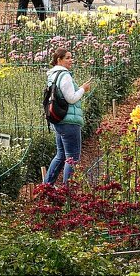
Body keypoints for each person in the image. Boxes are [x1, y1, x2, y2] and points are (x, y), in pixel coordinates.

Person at [44, 49, 91, 184]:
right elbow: (71, 98)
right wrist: (82, 89)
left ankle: (47, 187)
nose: (71, 60)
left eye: (71, 57)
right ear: (59, 59)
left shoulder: (53, 75)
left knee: (61, 155)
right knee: (72, 158)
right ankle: (67, 192)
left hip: (58, 120)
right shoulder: (64, 75)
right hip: (69, 122)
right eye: (67, 58)